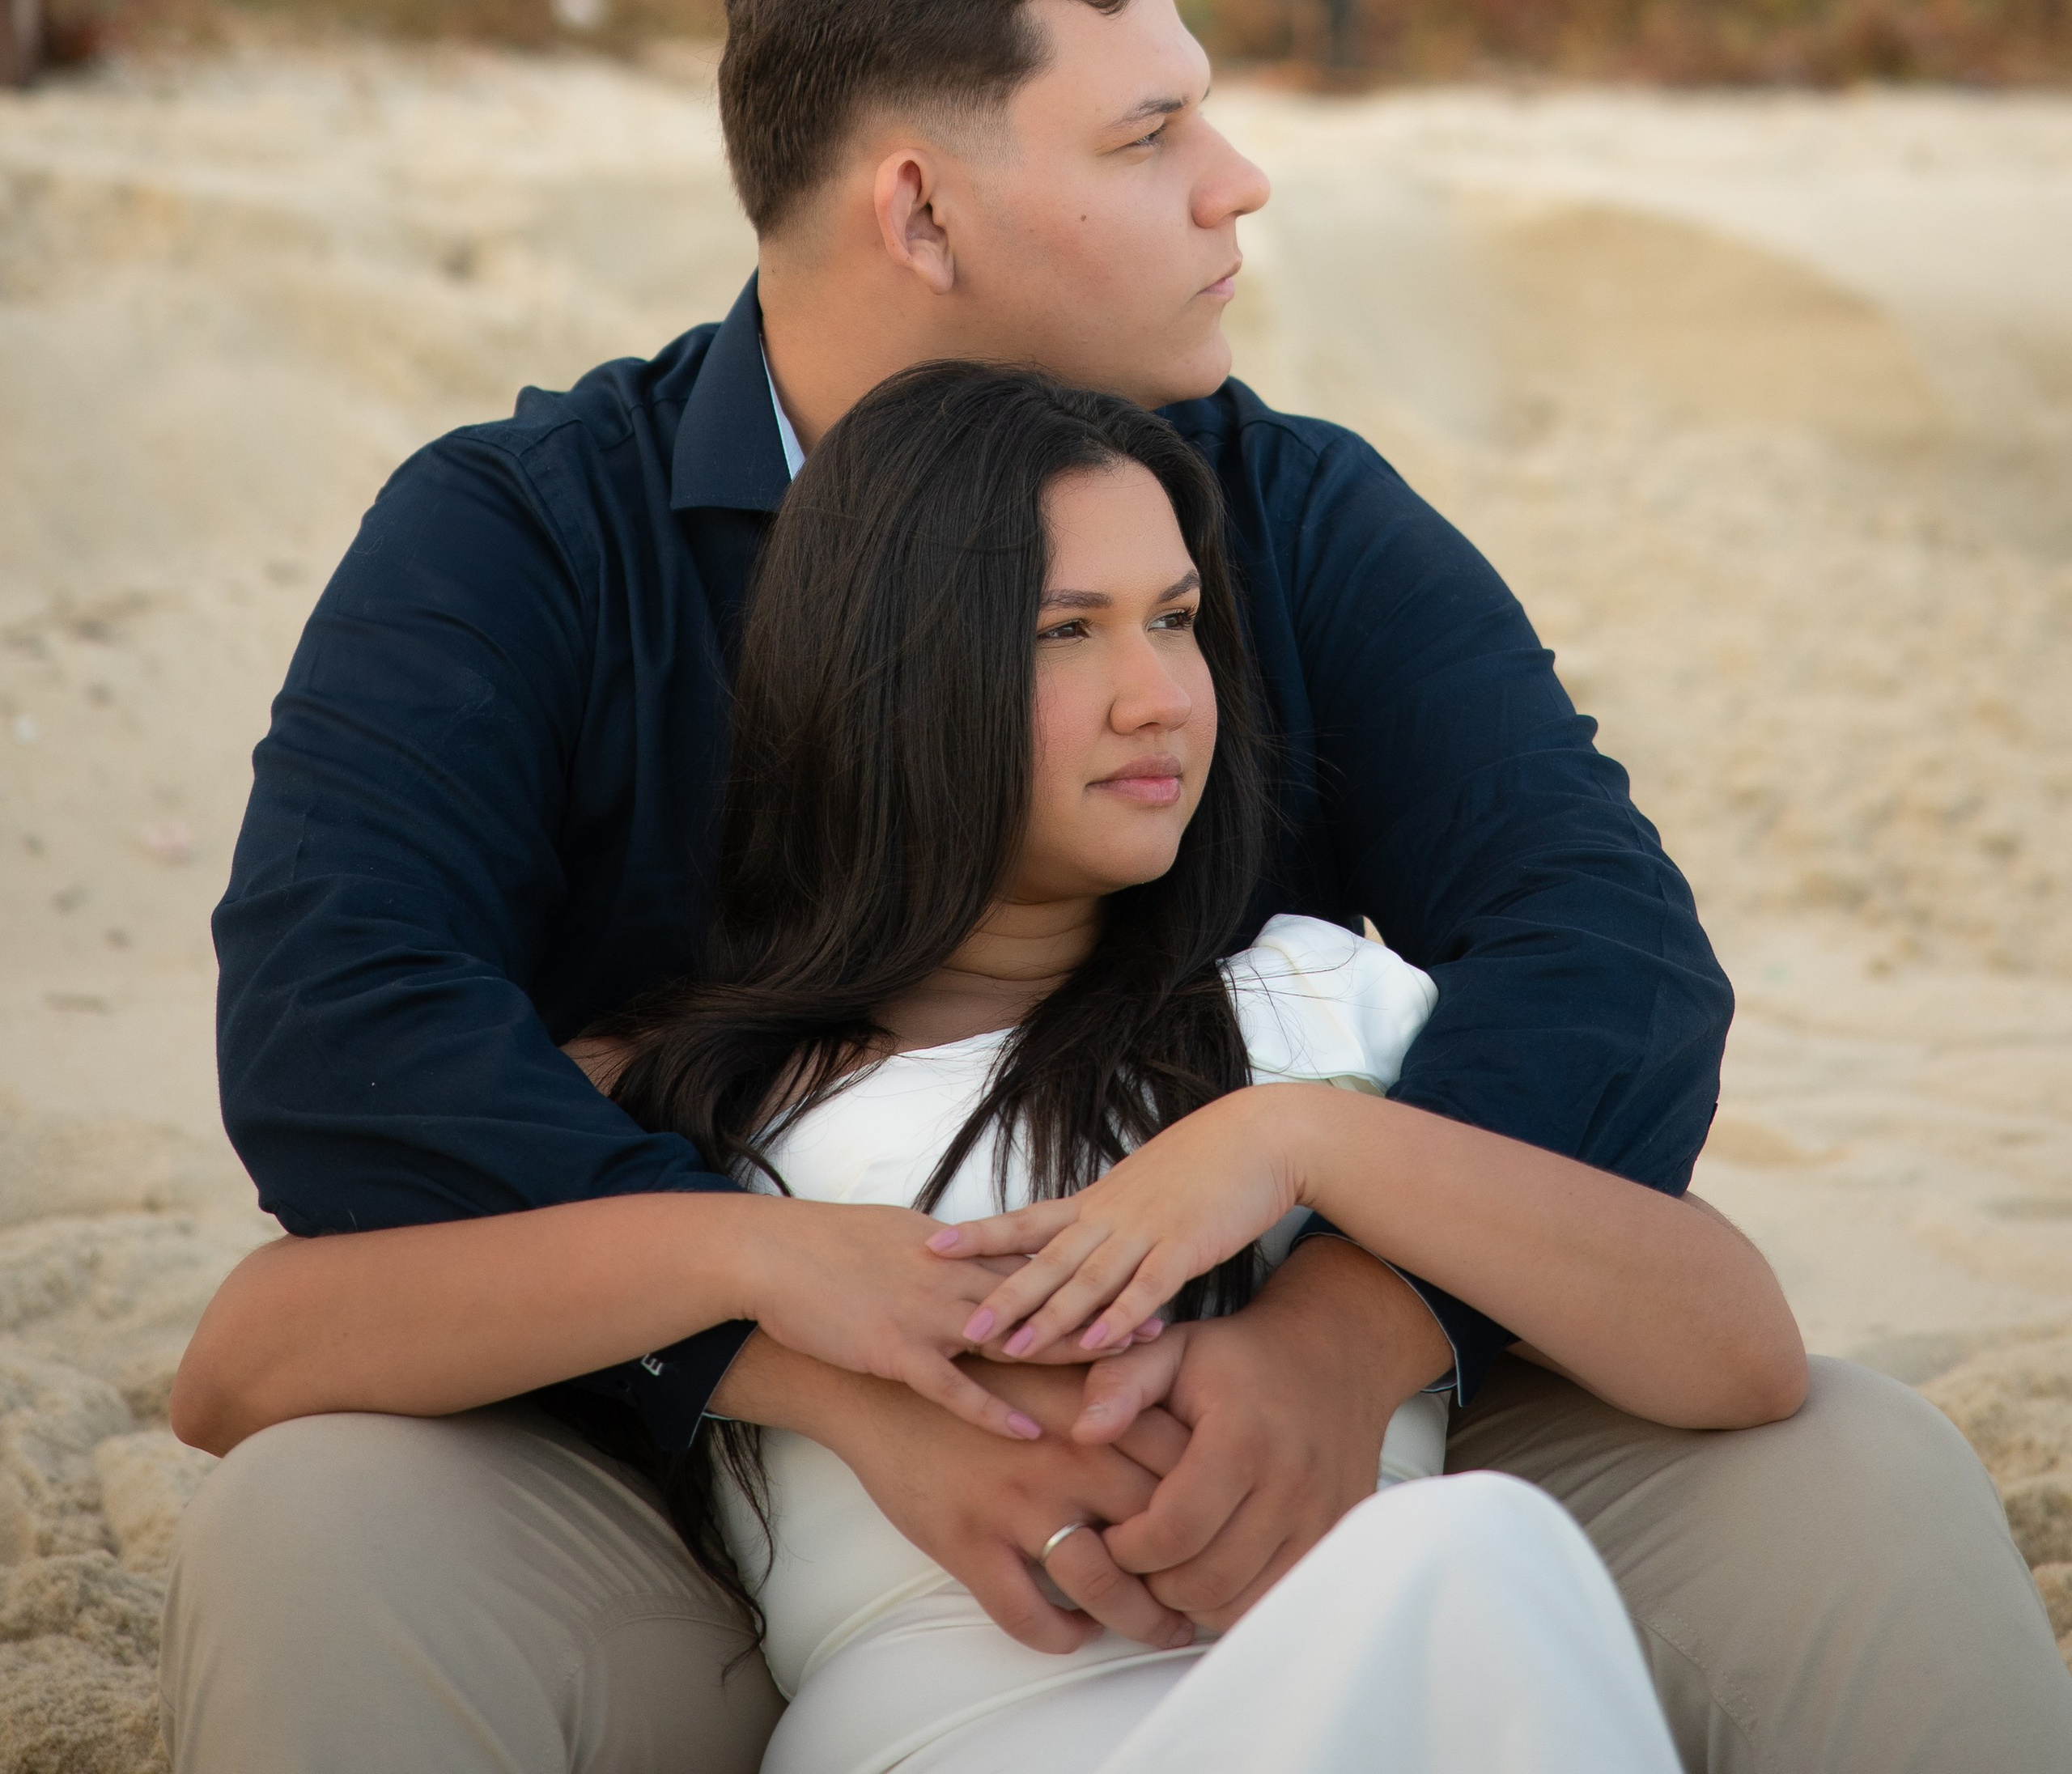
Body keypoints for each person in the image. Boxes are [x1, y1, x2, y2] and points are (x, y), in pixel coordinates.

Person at [162, 0, 2071, 1772]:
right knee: (315, 1518)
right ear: (918, 209)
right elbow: (345, 1042)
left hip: (1286, 1427)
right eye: (1149, 134)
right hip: (664, 1458)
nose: (1234, 184)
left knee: (1849, 1474)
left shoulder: (1296, 513)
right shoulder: (528, 537)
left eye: (1161, 625)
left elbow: (1603, 955)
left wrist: (1344, 1332)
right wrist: (793, 1356)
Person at [176, 362, 1798, 1769]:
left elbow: (1737, 1351)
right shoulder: (714, 1097)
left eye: (1174, 621)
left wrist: (1304, 1151)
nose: (1159, 694)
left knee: (1475, 1554)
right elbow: (242, 1363)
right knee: (1474, 1565)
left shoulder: (1318, 1020)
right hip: (954, 1741)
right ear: (888, 683)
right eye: (1066, 632)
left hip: (1382, 1704)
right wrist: (757, 1267)